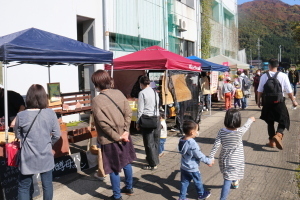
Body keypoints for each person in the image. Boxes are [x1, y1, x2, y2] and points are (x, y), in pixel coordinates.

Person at [91, 70, 136, 200]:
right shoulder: (118, 93)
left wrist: (117, 136)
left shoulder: (96, 100)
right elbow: (128, 113)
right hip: (124, 135)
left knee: (113, 167)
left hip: (109, 140)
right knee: (127, 162)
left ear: (96, 84)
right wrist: (126, 131)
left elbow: (103, 124)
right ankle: (129, 187)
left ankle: (117, 196)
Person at [14, 84, 61, 200]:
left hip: (27, 156)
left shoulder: (21, 115)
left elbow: (17, 135)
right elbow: (57, 134)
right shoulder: (50, 113)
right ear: (43, 97)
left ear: (28, 98)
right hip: (46, 154)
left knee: (24, 187)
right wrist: (50, 144)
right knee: (47, 185)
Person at [209, 109, 255, 200]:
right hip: (236, 160)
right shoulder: (239, 131)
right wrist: (251, 119)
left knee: (229, 175)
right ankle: (223, 198)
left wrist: (211, 156)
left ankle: (234, 182)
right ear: (238, 120)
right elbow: (246, 126)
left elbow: (216, 144)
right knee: (227, 179)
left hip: (224, 159)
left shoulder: (221, 131)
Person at [257, 59, 298, 150]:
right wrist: (293, 100)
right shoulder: (283, 75)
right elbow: (289, 90)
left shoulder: (264, 76)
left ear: (269, 66)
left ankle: (272, 142)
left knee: (270, 122)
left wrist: (258, 101)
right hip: (279, 102)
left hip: (267, 102)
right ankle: (279, 134)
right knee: (284, 119)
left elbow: (260, 90)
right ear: (277, 66)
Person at [178, 120, 212, 200]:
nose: (197, 132)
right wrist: (208, 161)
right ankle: (201, 194)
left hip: (184, 166)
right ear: (192, 132)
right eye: (196, 130)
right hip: (192, 168)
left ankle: (182, 197)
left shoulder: (182, 140)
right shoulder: (192, 143)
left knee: (184, 183)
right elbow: (199, 155)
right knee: (198, 181)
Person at [136, 75, 161, 170]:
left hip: (147, 119)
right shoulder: (155, 92)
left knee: (148, 142)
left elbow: (140, 109)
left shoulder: (142, 93)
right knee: (155, 141)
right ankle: (155, 159)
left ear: (141, 83)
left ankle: (152, 164)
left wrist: (138, 122)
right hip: (156, 118)